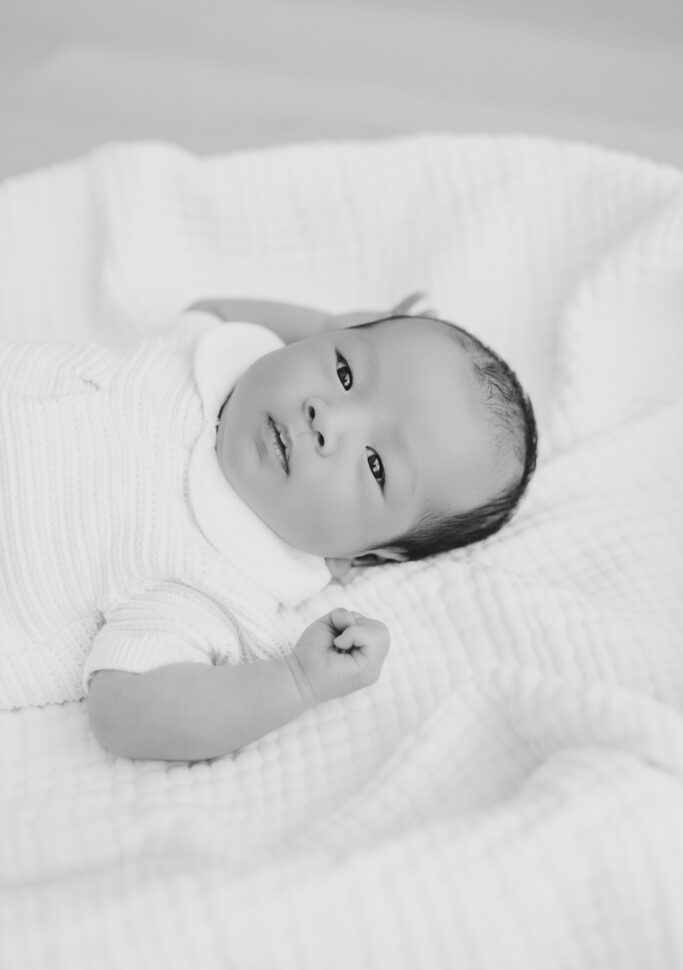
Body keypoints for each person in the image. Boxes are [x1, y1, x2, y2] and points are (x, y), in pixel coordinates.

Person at [0, 294, 536, 761]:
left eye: (376, 465)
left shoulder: (216, 580)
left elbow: (123, 709)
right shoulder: (207, 356)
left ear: (364, 558)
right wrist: (326, 319)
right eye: (345, 371)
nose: (327, 418)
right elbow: (216, 308)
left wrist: (295, 682)